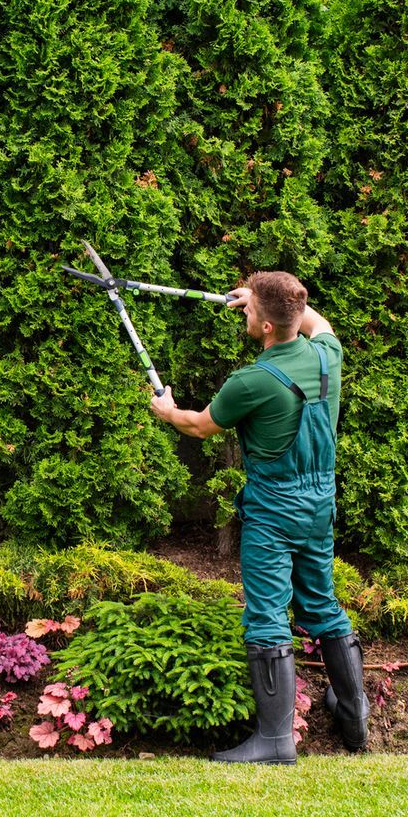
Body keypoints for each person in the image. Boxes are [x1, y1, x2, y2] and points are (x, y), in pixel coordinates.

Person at [148, 270, 368, 762]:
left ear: (267, 327)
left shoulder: (251, 381)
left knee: (267, 614)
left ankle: (274, 741)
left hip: (274, 508)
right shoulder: (326, 355)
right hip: (319, 503)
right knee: (321, 603)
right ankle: (355, 715)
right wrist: (265, 297)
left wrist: (167, 411)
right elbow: (319, 321)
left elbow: (200, 425)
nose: (244, 312)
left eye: (250, 310)